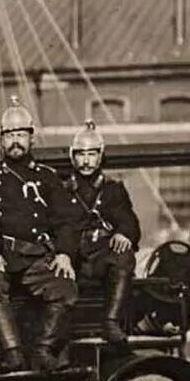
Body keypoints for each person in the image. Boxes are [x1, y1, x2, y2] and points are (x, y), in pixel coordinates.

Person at [0, 98, 82, 372]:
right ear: (1, 141)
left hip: (37, 256)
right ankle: (13, 354)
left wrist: (65, 254)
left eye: (21, 134)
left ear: (32, 139)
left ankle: (44, 350)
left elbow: (66, 221)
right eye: (9, 135)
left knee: (65, 289)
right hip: (3, 256)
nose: (15, 141)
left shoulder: (47, 178)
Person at [64, 120, 140, 345]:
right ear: (73, 157)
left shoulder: (112, 190)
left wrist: (124, 234)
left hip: (100, 256)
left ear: (100, 156)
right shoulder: (62, 188)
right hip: (72, 256)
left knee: (124, 257)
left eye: (92, 154)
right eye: (81, 154)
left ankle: (111, 321)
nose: (86, 160)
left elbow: (128, 219)